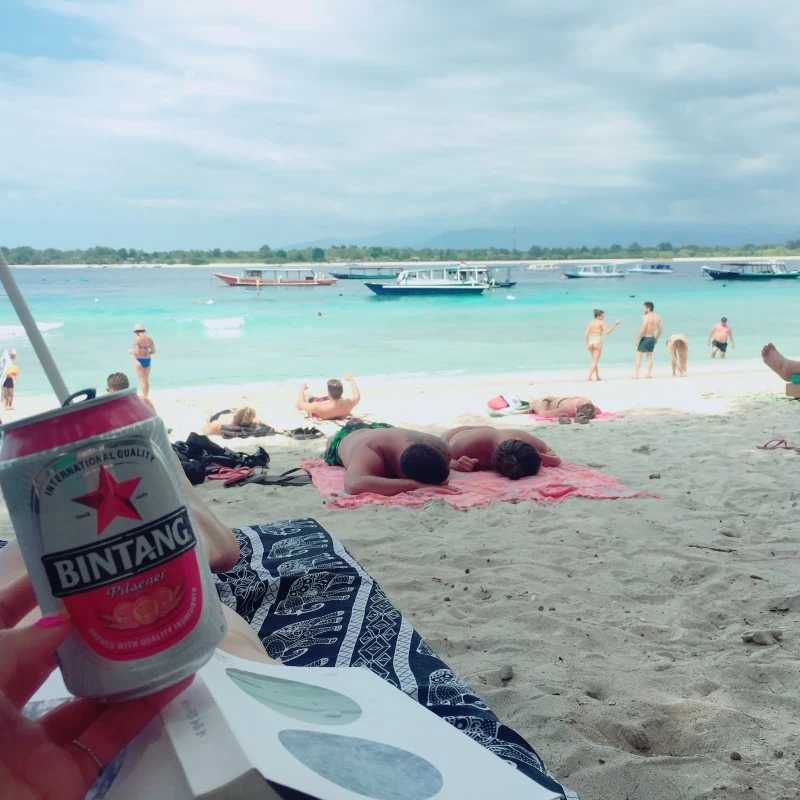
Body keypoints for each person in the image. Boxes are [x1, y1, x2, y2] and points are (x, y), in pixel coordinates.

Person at [323, 422, 457, 496]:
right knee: (330, 442)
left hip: (382, 428)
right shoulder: (370, 452)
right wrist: (415, 485)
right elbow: (353, 485)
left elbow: (447, 453)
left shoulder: (439, 446)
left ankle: (356, 422)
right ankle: (349, 425)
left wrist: (452, 463)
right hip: (346, 437)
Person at [444, 425, 560, 479]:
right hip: (454, 435)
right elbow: (442, 455)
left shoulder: (526, 440)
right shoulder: (473, 444)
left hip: (489, 431)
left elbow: (548, 450)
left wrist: (554, 457)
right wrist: (454, 464)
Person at [295, 373, 361, 421]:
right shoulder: (348, 404)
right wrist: (351, 380)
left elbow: (301, 404)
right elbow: (357, 395)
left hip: (324, 406)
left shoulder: (319, 407)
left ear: (328, 394)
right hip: (336, 405)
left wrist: (301, 389)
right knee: (307, 397)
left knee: (300, 401)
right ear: (342, 392)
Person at [585, 309, 620, 381]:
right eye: (602, 316)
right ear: (598, 316)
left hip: (590, 342)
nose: (603, 317)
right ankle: (588, 377)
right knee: (595, 361)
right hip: (598, 342)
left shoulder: (590, 323)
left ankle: (597, 376)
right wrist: (615, 324)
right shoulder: (601, 322)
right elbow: (607, 332)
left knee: (594, 361)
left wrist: (587, 343)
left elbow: (586, 335)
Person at [634, 301, 662, 379]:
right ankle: (649, 374)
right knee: (649, 357)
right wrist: (656, 338)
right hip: (652, 338)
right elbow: (660, 330)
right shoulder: (658, 317)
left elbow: (643, 329)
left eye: (644, 308)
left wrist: (637, 338)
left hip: (645, 338)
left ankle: (636, 374)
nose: (644, 309)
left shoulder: (646, 317)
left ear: (648, 308)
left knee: (638, 356)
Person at [129, 323, 156, 400]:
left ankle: (144, 398)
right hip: (147, 360)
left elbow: (137, 352)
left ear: (136, 332)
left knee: (142, 380)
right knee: (146, 380)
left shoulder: (137, 339)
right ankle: (146, 397)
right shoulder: (149, 339)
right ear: (143, 330)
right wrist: (146, 352)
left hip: (138, 360)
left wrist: (130, 351)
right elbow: (153, 351)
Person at [530, 395, 600, 419]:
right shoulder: (590, 407)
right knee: (533, 400)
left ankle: (531, 401)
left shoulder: (567, 410)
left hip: (546, 404)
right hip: (556, 400)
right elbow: (598, 410)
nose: (584, 397)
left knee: (532, 403)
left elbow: (542, 413)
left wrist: (546, 400)